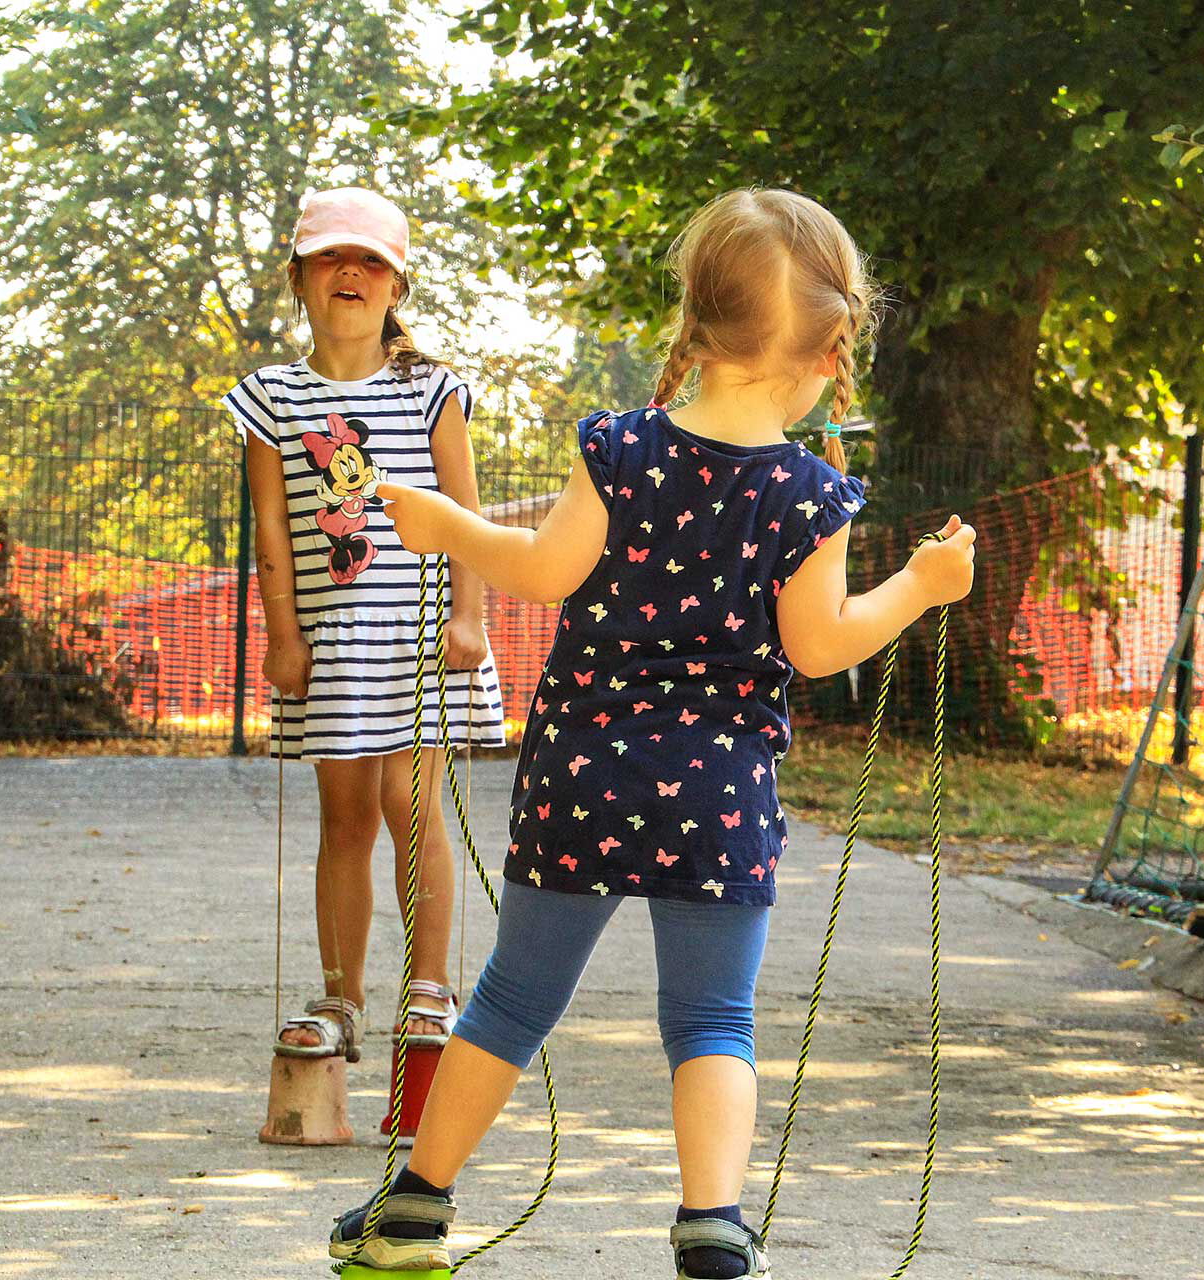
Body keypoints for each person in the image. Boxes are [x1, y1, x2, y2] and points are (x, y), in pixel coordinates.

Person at [326, 187, 976, 1279]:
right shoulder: (810, 494)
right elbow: (820, 647)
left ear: (695, 321)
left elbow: (538, 572)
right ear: (829, 350)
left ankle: (414, 1210)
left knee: (511, 999)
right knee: (713, 1017)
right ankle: (712, 1227)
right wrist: (919, 583)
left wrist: (443, 523)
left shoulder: (620, 449)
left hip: (580, 768)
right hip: (718, 789)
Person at [220, 187, 507, 1065]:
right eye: (332, 258)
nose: (352, 272)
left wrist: (470, 614)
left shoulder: (432, 390)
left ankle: (429, 994)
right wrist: (283, 637)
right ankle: (340, 998)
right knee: (345, 818)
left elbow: (467, 509)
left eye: (372, 260)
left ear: (397, 286)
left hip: (421, 635)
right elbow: (272, 527)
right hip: (334, 640)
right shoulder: (271, 397)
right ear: (300, 278)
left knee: (411, 805)